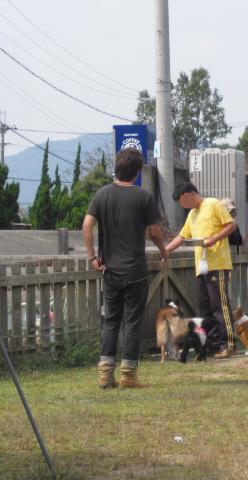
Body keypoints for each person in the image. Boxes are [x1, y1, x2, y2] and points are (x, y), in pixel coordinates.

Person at [83, 148, 168, 389]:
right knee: (132, 322)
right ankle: (129, 376)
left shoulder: (101, 195)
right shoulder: (144, 197)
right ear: (137, 172)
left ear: (117, 168)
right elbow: (155, 232)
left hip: (110, 270)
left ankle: (105, 375)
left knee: (111, 321)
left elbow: (87, 225)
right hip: (135, 271)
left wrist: (92, 258)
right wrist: (164, 251)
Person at [166, 182, 237, 358]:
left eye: (182, 201)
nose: (182, 206)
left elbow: (231, 225)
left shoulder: (213, 204)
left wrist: (214, 239)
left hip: (217, 264)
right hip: (202, 267)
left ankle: (228, 344)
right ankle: (213, 344)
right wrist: (165, 251)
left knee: (219, 306)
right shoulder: (192, 214)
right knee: (205, 309)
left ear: (190, 194)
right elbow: (182, 237)